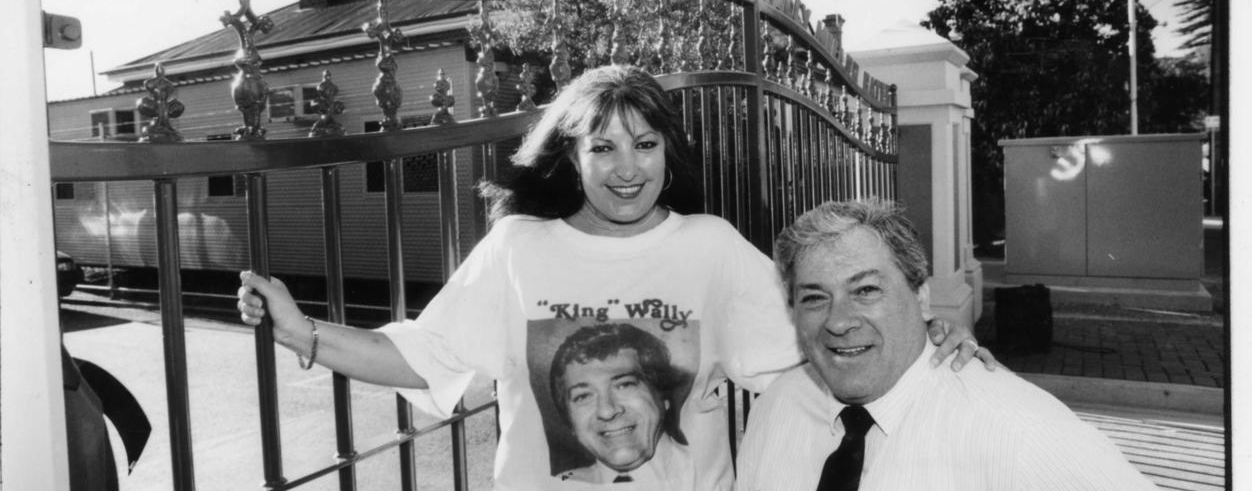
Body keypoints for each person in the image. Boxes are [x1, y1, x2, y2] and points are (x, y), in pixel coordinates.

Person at [238, 65, 991, 491]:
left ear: (670, 154)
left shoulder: (711, 247)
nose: (627, 168)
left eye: (645, 143)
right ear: (571, 158)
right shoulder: (518, 248)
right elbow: (422, 359)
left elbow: (823, 346)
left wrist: (926, 339)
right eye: (603, 147)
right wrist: (303, 333)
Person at [735, 198, 1158, 491]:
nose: (839, 321)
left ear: (921, 297)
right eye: (814, 297)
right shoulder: (779, 407)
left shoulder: (1016, 431)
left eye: (865, 290)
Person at [549, 323, 691, 484]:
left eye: (624, 385)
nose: (606, 411)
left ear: (662, 394)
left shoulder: (711, 470)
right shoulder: (554, 485)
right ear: (570, 422)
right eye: (583, 396)